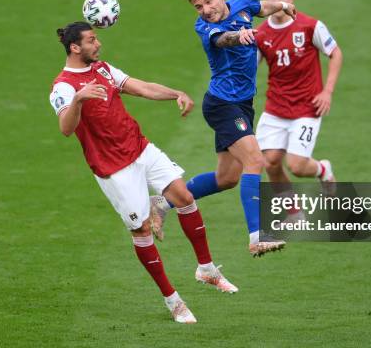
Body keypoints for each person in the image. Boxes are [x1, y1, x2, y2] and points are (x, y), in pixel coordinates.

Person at [49, 21, 238, 324]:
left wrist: (175, 92)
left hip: (140, 148)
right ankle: (173, 301)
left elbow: (143, 88)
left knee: (184, 197)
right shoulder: (63, 86)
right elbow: (65, 129)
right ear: (75, 47)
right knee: (142, 232)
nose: (98, 45)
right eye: (92, 40)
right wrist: (79, 99)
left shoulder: (105, 69)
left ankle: (206, 269)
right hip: (113, 169)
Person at [150, 0, 296, 257]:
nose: (205, 10)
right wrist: (238, 36)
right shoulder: (205, 27)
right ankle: (256, 236)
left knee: (227, 177)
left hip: (242, 105)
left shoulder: (240, 4)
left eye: (207, 2)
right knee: (255, 159)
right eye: (198, 7)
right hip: (222, 105)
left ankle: (162, 203)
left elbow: (261, 8)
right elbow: (223, 40)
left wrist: (282, 7)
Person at [255, 0, 342, 220]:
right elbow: (249, 70)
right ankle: (294, 212)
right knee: (270, 162)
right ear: (266, 1)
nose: (277, 1)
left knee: (297, 166)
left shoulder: (309, 26)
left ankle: (323, 169)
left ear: (291, 0)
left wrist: (328, 91)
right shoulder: (260, 34)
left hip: (306, 107)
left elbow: (335, 53)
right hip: (275, 107)